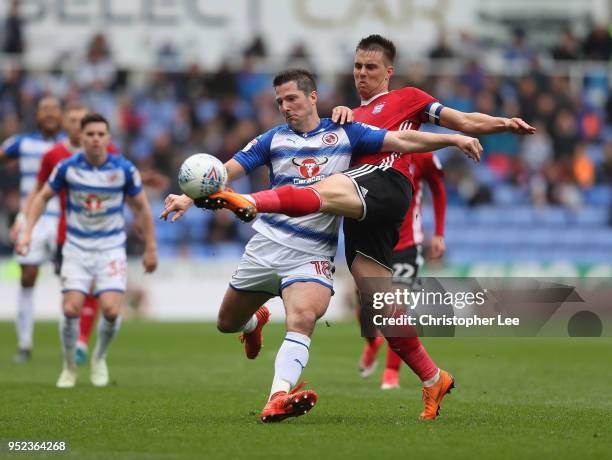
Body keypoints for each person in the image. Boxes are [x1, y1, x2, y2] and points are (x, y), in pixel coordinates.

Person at [203, 34, 535, 420]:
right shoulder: (345, 117)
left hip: (384, 183)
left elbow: (461, 120)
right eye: (358, 66)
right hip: (359, 207)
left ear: (388, 71)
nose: (362, 73)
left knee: (320, 190)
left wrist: (500, 126)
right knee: (380, 306)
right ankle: (433, 379)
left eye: (371, 67)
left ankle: (247, 202)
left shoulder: (407, 98)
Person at [161, 69, 481, 422]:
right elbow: (223, 173)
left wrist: (451, 138)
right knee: (227, 322)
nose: (285, 107)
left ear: (313, 97)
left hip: (312, 255)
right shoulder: (271, 140)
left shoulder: (345, 133)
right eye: (280, 101)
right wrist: (189, 198)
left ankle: (278, 396)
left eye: (292, 99)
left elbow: (402, 142)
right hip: (266, 247)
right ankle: (254, 324)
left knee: (302, 319)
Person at [16, 113, 157, 388]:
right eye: (90, 134)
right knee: (71, 308)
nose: (95, 139)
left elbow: (141, 207)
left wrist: (151, 247)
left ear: (108, 138)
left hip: (111, 248)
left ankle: (99, 358)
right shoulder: (67, 168)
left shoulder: (123, 169)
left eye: (100, 134)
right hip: (76, 247)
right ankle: (69, 366)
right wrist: (27, 232)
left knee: (112, 310)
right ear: (81, 137)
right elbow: (42, 198)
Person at [22, 102, 119, 365]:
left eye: (81, 120)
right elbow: (40, 191)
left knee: (96, 291)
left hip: (102, 237)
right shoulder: (56, 156)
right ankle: (71, 346)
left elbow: (123, 182)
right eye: (73, 120)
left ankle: (82, 342)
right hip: (68, 234)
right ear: (66, 124)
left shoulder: (109, 152)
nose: (78, 125)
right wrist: (25, 223)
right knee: (71, 295)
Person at [359, 152, 447, 390]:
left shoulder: (423, 154)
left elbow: (438, 188)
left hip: (407, 244)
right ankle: (372, 342)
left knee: (396, 308)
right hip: (374, 244)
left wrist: (438, 232)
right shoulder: (373, 145)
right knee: (367, 310)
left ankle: (391, 374)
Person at [0, 96, 64, 362]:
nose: (49, 113)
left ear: (60, 115)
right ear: (37, 115)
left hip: (63, 217)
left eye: (54, 109)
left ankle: (72, 344)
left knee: (71, 280)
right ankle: (25, 343)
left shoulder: (70, 145)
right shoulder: (21, 143)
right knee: (28, 277)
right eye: (44, 109)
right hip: (33, 218)